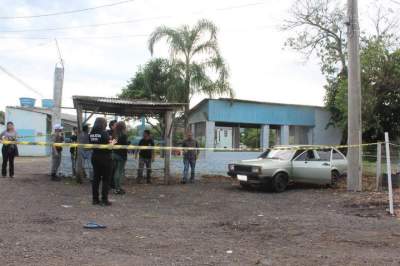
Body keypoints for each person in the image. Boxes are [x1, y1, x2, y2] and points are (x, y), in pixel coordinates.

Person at [89, 117, 116, 206]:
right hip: (105, 158)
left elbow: (90, 145)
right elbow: (109, 146)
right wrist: (113, 142)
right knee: (106, 179)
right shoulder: (104, 133)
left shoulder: (91, 133)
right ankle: (104, 200)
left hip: (95, 157)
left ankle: (95, 199)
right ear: (103, 124)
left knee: (96, 179)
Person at [112, 121, 129, 195]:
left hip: (114, 154)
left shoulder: (114, 135)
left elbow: (111, 144)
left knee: (116, 171)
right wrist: (129, 143)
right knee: (119, 172)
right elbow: (125, 145)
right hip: (121, 156)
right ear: (123, 127)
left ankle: (116, 187)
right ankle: (118, 188)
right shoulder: (124, 135)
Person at [108, 120, 117, 190]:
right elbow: (110, 143)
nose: (116, 126)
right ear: (111, 126)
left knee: (114, 170)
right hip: (110, 153)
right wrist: (115, 141)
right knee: (110, 169)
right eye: (115, 125)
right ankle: (109, 185)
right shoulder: (108, 132)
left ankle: (112, 184)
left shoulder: (117, 133)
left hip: (116, 153)